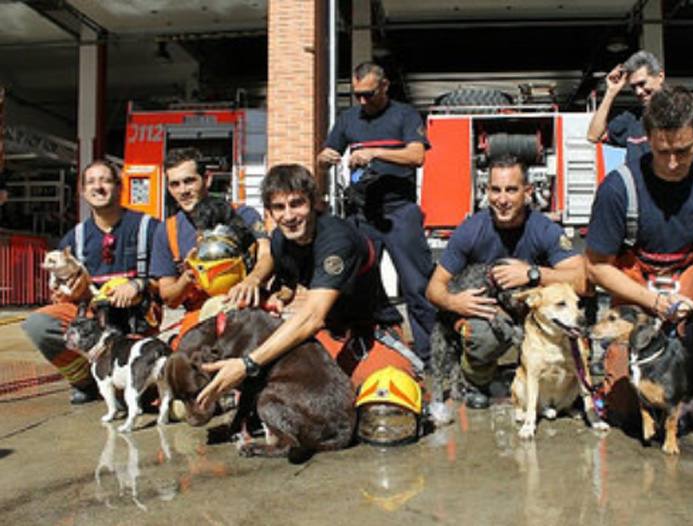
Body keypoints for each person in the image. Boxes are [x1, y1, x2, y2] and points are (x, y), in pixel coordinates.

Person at [196, 164, 419, 412]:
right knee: (293, 403)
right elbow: (283, 277)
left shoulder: (337, 238)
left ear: (314, 203)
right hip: (326, 335)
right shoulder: (282, 239)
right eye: (279, 208)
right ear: (269, 212)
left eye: (297, 203)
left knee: (386, 407)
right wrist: (259, 283)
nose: (289, 216)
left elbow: (312, 317)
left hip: (370, 334)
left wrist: (247, 364)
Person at [425, 155, 586, 409]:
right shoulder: (470, 230)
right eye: (495, 190)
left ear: (528, 192)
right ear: (486, 191)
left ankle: (547, 379)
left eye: (511, 190)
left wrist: (533, 274)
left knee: (569, 317)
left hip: (533, 313)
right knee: (483, 336)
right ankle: (476, 380)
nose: (502, 199)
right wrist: (455, 301)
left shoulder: (544, 229)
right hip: (490, 314)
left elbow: (582, 280)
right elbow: (434, 288)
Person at [585, 86, 693, 426]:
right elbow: (597, 267)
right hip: (637, 291)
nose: (673, 162)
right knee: (628, 411)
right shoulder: (619, 188)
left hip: (692, 284)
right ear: (647, 139)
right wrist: (654, 302)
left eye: (684, 150)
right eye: (663, 151)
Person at [317, 61, 436, 362]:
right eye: (357, 95)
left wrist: (375, 152)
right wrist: (324, 157)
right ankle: (369, 347)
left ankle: (431, 356)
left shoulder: (405, 115)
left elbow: (417, 155)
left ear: (384, 87)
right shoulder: (348, 119)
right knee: (356, 284)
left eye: (369, 94)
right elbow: (324, 154)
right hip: (362, 213)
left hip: (400, 213)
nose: (362, 101)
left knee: (417, 286)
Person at [22, 160, 159, 404]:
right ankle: (85, 382)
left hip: (136, 322)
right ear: (83, 191)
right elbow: (59, 294)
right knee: (37, 324)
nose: (98, 187)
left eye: (106, 180)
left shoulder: (148, 228)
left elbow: (167, 280)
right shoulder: (73, 238)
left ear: (119, 188)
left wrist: (138, 285)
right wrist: (72, 293)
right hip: (93, 321)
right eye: (91, 182)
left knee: (145, 396)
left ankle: (120, 381)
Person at [149, 148, 273, 347]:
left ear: (207, 179)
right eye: (175, 184)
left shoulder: (243, 214)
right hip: (199, 320)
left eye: (189, 181)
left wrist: (252, 280)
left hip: (247, 309)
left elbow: (267, 255)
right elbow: (169, 298)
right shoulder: (167, 230)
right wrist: (188, 276)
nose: (183, 190)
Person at [587, 50, 665, 162]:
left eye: (642, 84)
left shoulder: (682, 111)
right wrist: (610, 92)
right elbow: (593, 136)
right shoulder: (632, 119)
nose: (638, 91)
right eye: (633, 87)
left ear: (660, 76)